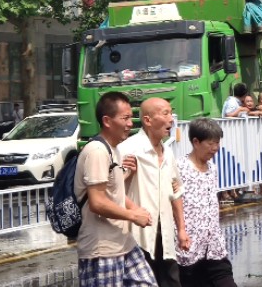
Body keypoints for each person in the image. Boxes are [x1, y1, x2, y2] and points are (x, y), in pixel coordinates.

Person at [77, 91, 157, 287]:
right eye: (126, 118)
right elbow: (97, 202)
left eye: (131, 117)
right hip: (102, 249)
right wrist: (132, 216)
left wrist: (134, 208)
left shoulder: (114, 149)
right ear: (107, 120)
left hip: (123, 244)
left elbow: (114, 193)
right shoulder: (97, 151)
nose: (131, 123)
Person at [119, 97, 189, 287]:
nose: (171, 119)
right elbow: (111, 191)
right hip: (138, 238)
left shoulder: (168, 152)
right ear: (148, 120)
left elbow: (176, 191)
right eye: (165, 114)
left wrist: (181, 229)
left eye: (170, 113)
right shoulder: (128, 149)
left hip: (165, 236)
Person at [176, 119, 237, 287]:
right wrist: (181, 230)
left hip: (213, 245)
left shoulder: (212, 168)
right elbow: (175, 200)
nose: (215, 148)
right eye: (211, 144)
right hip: (190, 245)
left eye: (217, 143)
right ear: (196, 142)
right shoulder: (180, 167)